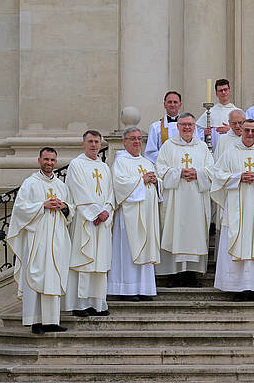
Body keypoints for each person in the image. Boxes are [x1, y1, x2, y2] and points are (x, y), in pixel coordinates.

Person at [211, 119, 254, 300]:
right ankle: (238, 287)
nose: (250, 134)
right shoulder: (230, 152)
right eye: (247, 130)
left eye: (253, 131)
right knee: (237, 240)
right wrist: (238, 177)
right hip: (237, 209)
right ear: (240, 131)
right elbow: (218, 175)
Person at [7, 147, 73, 334]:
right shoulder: (30, 183)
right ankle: (35, 321)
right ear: (39, 160)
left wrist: (64, 206)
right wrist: (42, 205)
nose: (49, 163)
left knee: (52, 276)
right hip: (36, 238)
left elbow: (70, 212)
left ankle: (51, 321)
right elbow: (20, 209)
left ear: (56, 162)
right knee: (36, 276)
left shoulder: (61, 186)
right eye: (46, 159)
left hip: (56, 237)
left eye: (52, 160)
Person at [155, 113, 213, 288]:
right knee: (175, 233)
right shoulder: (168, 146)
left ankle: (191, 275)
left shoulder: (202, 147)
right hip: (176, 200)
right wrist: (179, 173)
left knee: (194, 236)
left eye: (190, 124)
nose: (187, 128)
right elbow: (160, 170)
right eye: (183, 125)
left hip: (196, 198)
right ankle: (173, 274)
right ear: (178, 127)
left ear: (194, 127)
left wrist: (198, 173)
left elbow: (212, 171)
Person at [65, 130, 114, 317]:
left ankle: (98, 303)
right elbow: (78, 191)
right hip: (85, 221)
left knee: (99, 262)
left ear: (101, 145)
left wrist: (107, 211)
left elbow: (111, 193)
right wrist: (95, 213)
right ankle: (80, 304)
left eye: (97, 142)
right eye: (90, 141)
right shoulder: (76, 165)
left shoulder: (105, 167)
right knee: (84, 261)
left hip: (101, 223)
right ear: (83, 144)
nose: (94, 145)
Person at [108, 127, 160, 301]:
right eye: (132, 139)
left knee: (145, 250)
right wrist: (141, 181)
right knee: (128, 251)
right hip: (129, 217)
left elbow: (157, 186)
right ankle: (127, 289)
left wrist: (155, 182)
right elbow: (119, 186)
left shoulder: (147, 162)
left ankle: (144, 289)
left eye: (139, 139)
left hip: (147, 215)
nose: (137, 142)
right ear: (124, 142)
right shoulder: (120, 162)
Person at [145, 91, 204, 164]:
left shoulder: (190, 126)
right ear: (164, 105)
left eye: (175, 102)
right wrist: (169, 159)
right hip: (166, 166)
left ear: (180, 105)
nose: (172, 105)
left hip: (188, 164)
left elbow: (196, 145)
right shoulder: (156, 127)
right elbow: (150, 152)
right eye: (169, 102)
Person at [197, 79, 240, 155]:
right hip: (214, 151)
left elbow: (244, 130)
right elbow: (197, 131)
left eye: (225, 90)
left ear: (229, 91)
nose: (223, 92)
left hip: (232, 151)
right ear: (216, 94)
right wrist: (204, 133)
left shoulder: (238, 112)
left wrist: (231, 129)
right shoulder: (210, 112)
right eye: (220, 90)